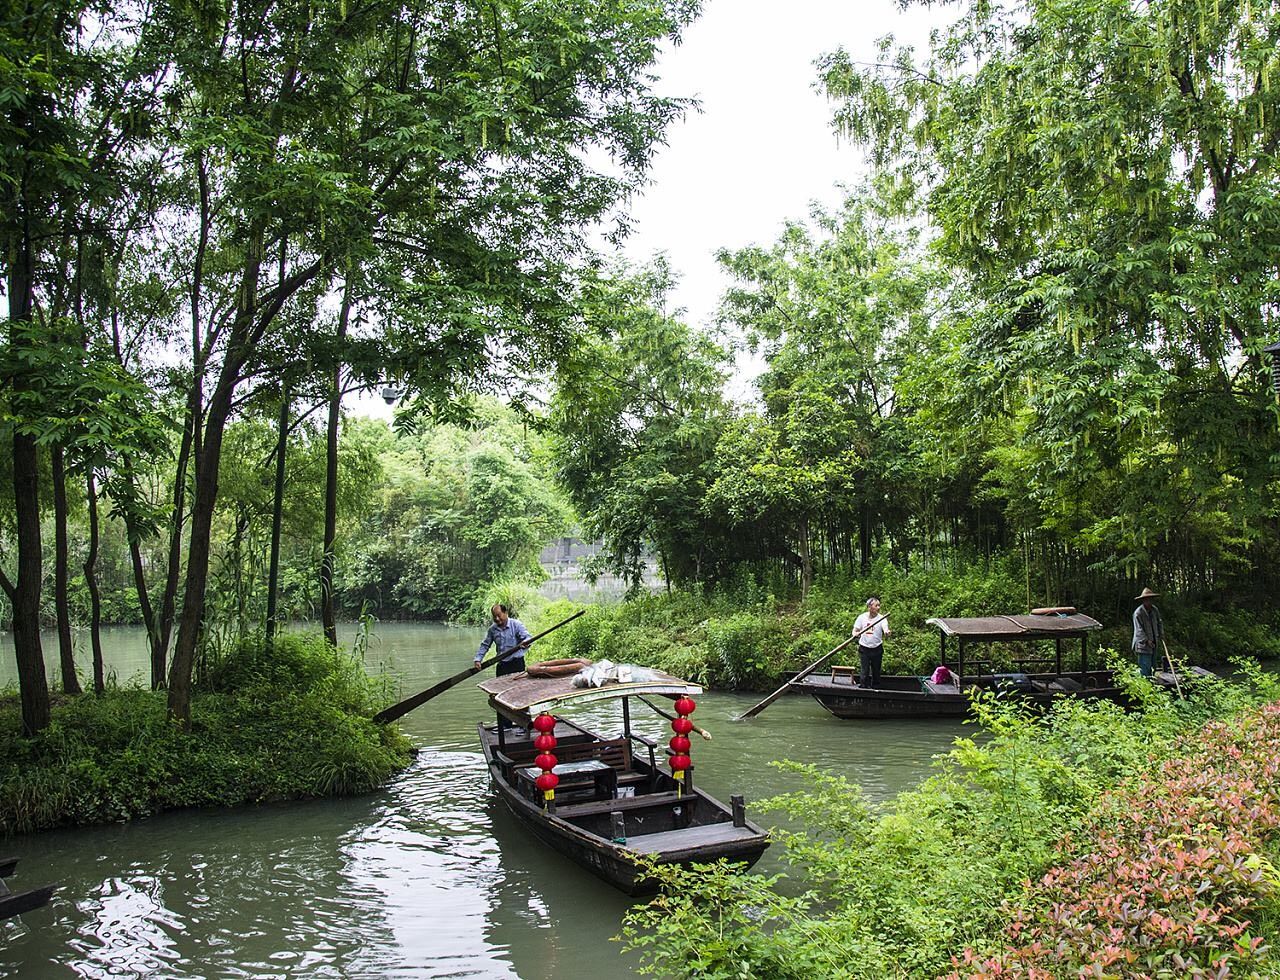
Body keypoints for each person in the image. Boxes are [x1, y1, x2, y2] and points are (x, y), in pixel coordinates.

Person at [853, 596, 890, 688]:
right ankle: (863, 687)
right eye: (876, 605)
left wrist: (887, 632)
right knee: (864, 671)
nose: (878, 607)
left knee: (876, 670)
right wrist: (855, 634)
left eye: (879, 605)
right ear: (869, 607)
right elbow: (855, 630)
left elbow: (885, 628)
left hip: (877, 648)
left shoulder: (882, 618)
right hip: (864, 648)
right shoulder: (861, 617)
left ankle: (876, 688)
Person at [1131, 587, 1163, 678]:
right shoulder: (1138, 613)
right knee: (1145, 668)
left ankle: (1152, 686)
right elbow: (1139, 629)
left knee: (1153, 667)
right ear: (1143, 600)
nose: (1149, 602)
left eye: (1151, 599)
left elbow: (1159, 622)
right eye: (1147, 600)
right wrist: (1147, 640)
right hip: (1142, 645)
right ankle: (1145, 686)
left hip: (1154, 643)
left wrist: (1161, 634)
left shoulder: (1154, 610)